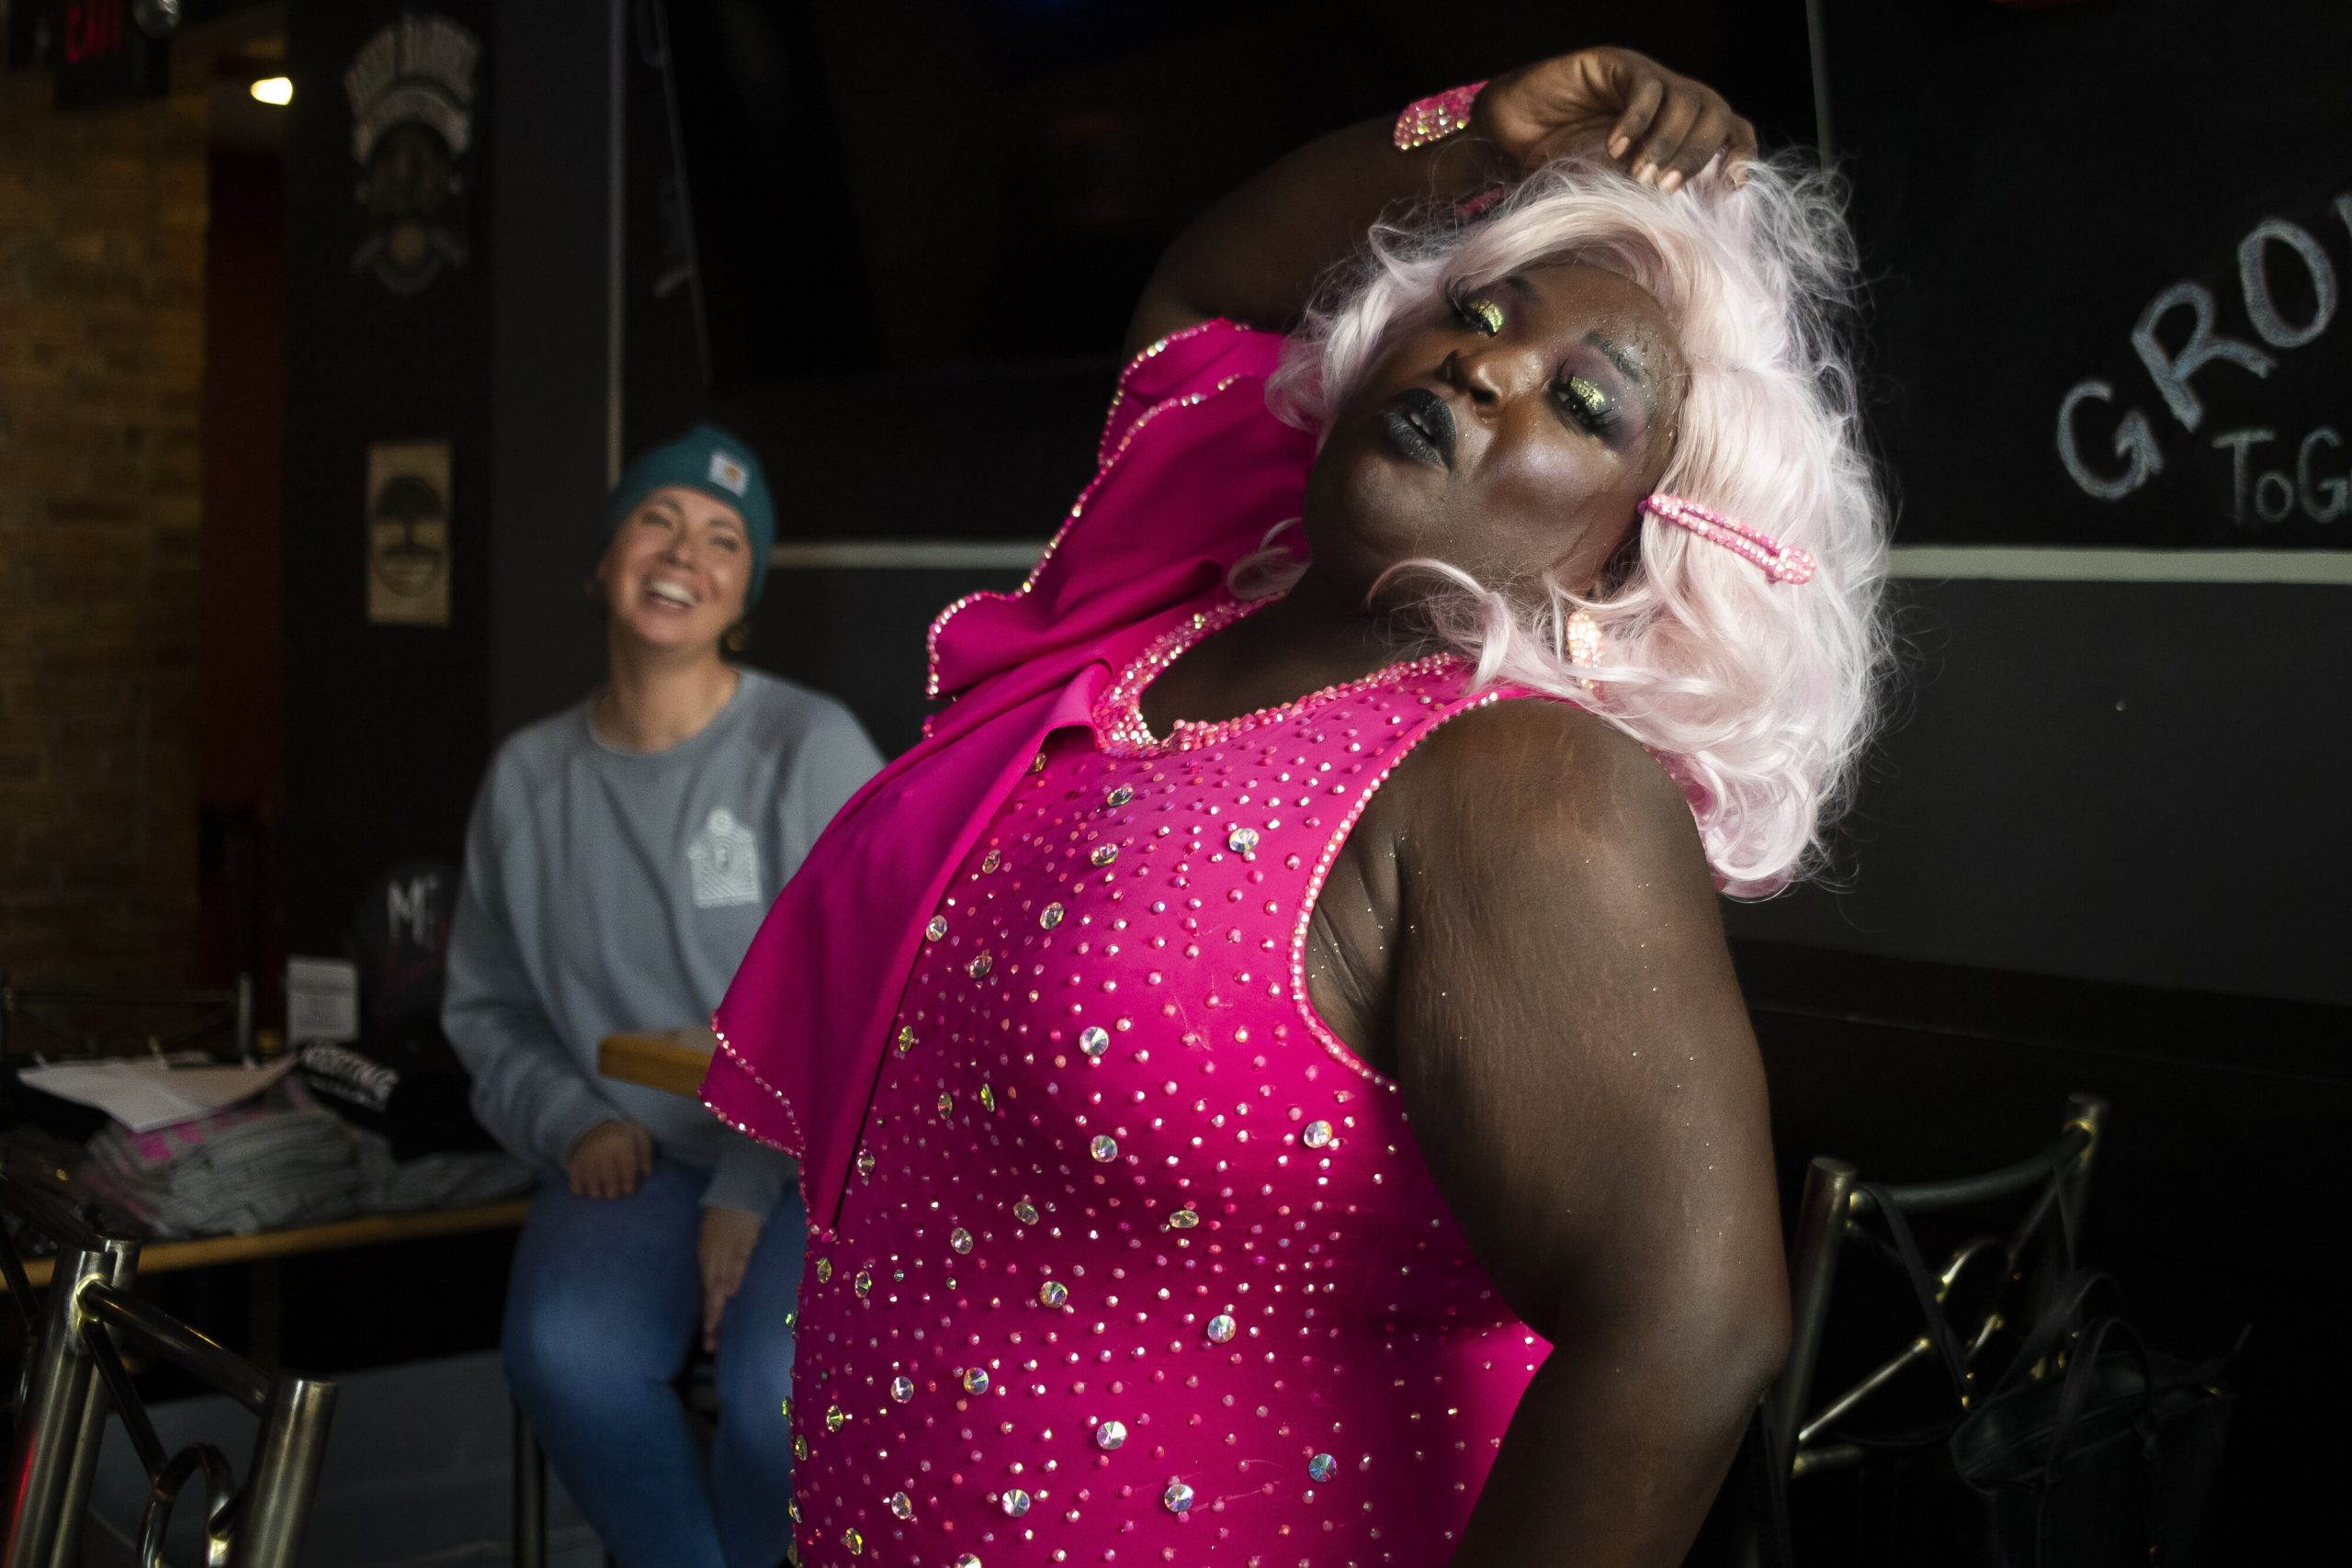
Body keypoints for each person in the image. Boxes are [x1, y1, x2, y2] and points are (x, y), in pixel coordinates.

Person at [708, 45, 1886, 1567]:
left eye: (1582, 404)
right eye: (1474, 314)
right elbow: (1208, 290)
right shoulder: (1148, 634)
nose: (1484, 364)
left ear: (1627, 553)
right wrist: (1477, 137)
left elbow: (1694, 1327)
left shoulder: (1521, 780)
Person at [445, 424, 884, 1568]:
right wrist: (571, 1118)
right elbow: (487, 1010)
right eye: (657, 519)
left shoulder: (810, 746)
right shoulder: (527, 778)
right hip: (627, 1149)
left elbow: (865, 1001)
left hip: (803, 1158)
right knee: (564, 1352)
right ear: (604, 560)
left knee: (779, 1394)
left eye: (722, 537)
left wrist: (745, 1184)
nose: (683, 551)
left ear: (743, 591)